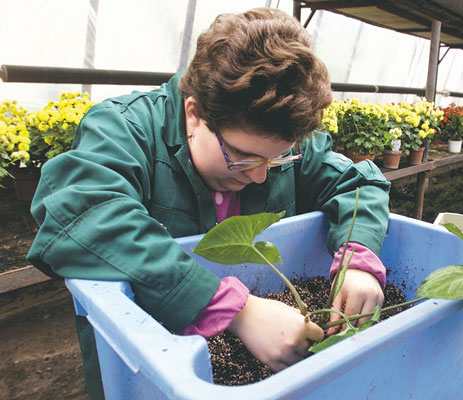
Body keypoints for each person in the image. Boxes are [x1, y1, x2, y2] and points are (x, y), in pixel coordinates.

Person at [27, 8, 390, 399]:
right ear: (194, 114)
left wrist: (359, 258)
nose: (261, 174)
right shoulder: (125, 129)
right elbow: (79, 215)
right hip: (142, 368)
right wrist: (237, 310)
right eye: (243, 157)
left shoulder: (286, 142)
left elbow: (359, 182)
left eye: (278, 159)